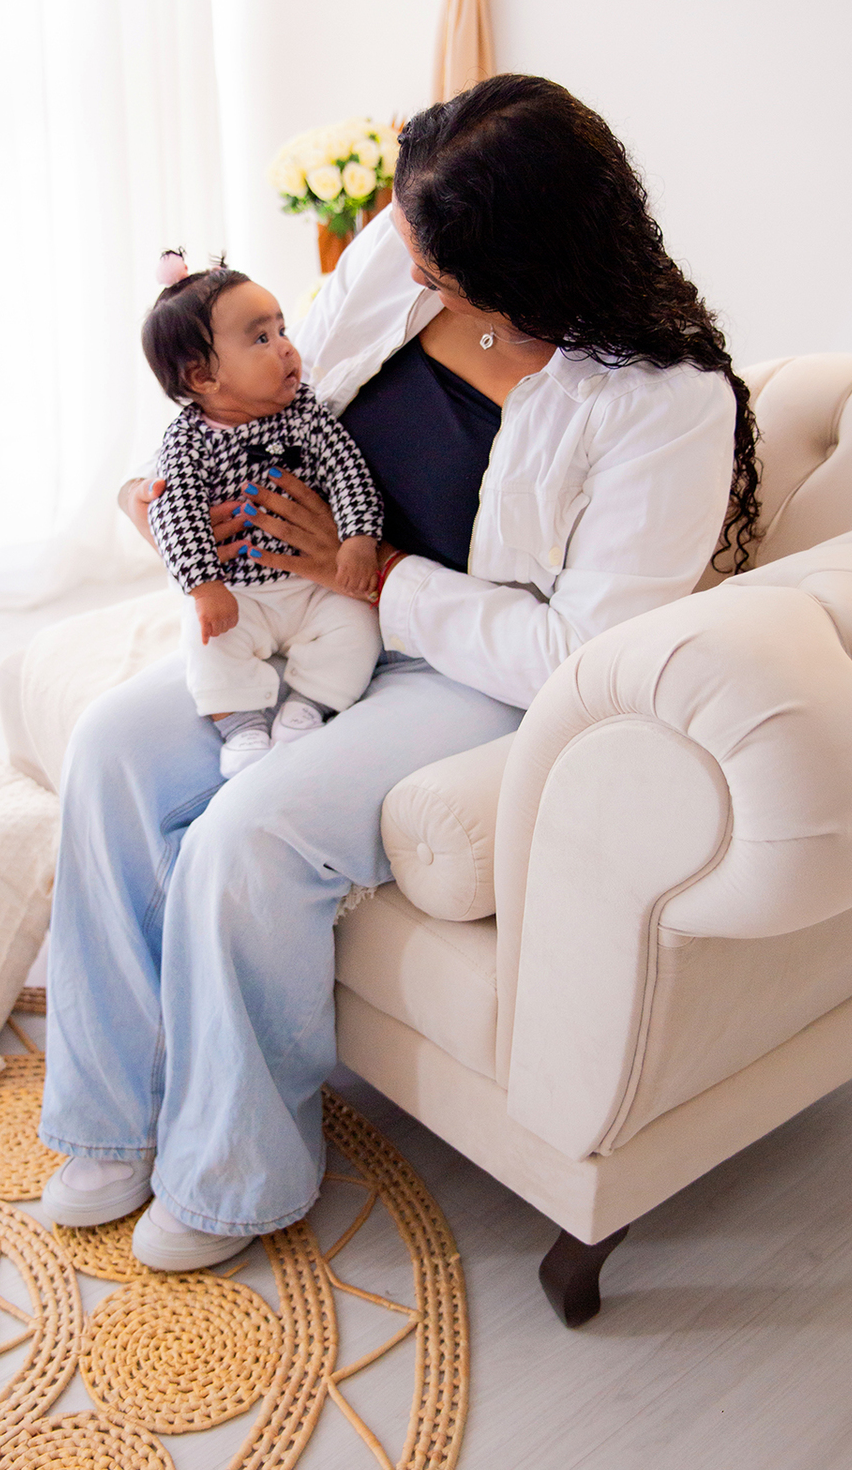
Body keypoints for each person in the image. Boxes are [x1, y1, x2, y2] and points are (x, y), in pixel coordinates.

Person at [39, 73, 760, 1274]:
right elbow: (268, 376)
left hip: (462, 666)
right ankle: (111, 1115)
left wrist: (381, 585)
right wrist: (176, 499)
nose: (408, 273)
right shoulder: (408, 242)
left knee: (248, 836)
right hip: (294, 611)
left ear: (528, 257)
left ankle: (238, 1175)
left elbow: (577, 651)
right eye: (409, 245)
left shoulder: (662, 405)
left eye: (436, 266)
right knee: (113, 750)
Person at [141, 251, 384, 779]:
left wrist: (360, 538)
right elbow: (174, 513)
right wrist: (205, 588)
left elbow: (348, 470)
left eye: (282, 329)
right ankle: (242, 725)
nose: (287, 348)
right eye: (260, 339)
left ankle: (307, 705)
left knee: (358, 626)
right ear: (203, 376)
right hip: (239, 593)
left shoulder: (304, 413)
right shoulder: (189, 441)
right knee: (206, 642)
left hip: (312, 584)